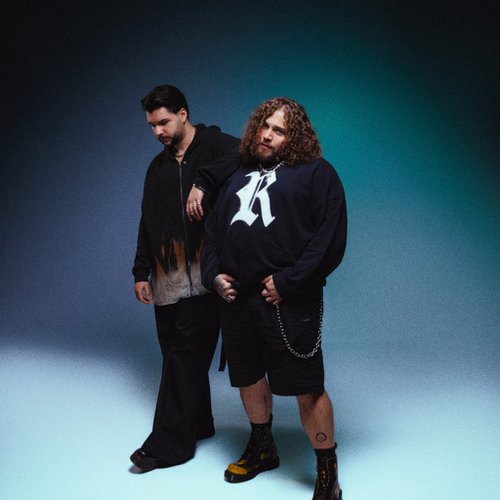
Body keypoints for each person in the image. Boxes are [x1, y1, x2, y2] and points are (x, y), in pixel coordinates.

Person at [201, 97, 347, 499]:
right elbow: (213, 233)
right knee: (248, 376)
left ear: (295, 136)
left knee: (306, 386)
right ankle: (263, 449)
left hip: (287, 301)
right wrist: (213, 276)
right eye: (264, 126)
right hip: (237, 299)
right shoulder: (239, 173)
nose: (267, 135)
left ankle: (327, 472)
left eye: (278, 130)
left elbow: (329, 240)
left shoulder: (317, 173)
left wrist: (289, 282)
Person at [131, 84, 239, 472]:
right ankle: (199, 423)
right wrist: (140, 271)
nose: (157, 131)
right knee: (176, 358)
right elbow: (147, 221)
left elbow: (248, 152)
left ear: (183, 113)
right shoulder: (157, 168)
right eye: (151, 125)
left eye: (163, 122)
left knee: (184, 357)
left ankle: (169, 445)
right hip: (167, 279)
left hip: (205, 276)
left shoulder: (215, 145)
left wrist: (204, 181)